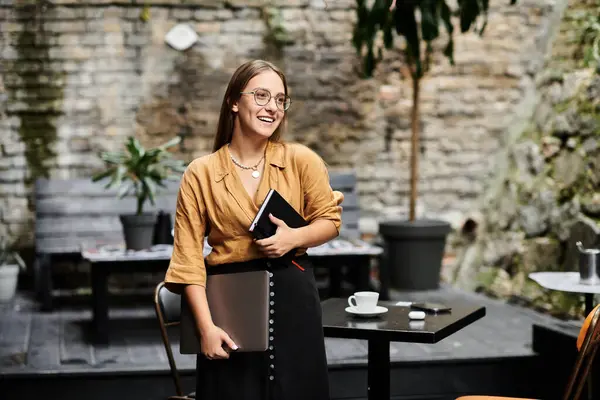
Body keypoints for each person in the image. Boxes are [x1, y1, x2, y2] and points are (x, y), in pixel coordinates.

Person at [163, 59, 344, 400]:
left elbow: (330, 220)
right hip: (231, 307)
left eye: (280, 100)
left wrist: (294, 237)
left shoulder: (301, 160)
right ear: (234, 100)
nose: (272, 107)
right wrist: (206, 328)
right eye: (261, 95)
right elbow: (187, 261)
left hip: (295, 300)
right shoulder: (199, 173)